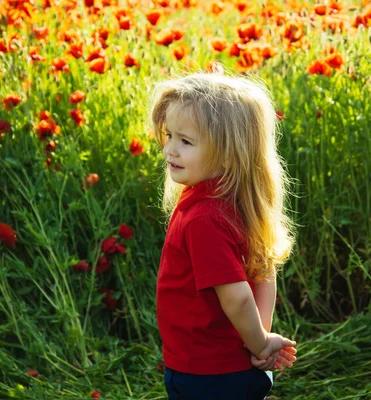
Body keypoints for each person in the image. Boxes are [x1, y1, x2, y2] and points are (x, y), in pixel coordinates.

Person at [149, 66, 298, 400]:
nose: (170, 149)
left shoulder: (204, 217)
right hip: (234, 365)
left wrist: (260, 343)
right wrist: (260, 343)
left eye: (185, 141)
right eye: (169, 135)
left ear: (229, 153)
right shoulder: (235, 201)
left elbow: (237, 295)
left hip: (207, 373)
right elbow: (264, 272)